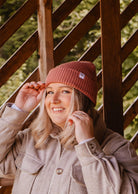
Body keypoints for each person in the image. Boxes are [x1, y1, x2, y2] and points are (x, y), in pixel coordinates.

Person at [0, 61, 137, 194]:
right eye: (50, 92)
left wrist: (87, 145)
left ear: (83, 99)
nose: (54, 100)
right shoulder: (31, 138)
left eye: (65, 91)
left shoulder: (117, 147)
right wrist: (17, 111)